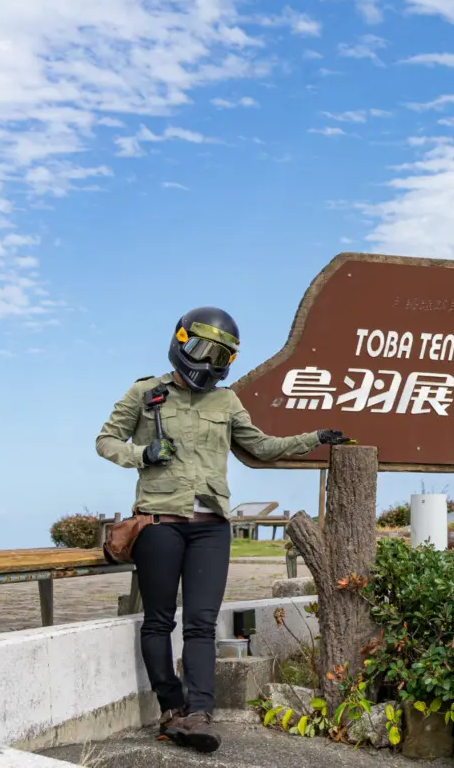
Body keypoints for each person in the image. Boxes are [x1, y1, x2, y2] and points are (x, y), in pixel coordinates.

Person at [95, 306, 350, 753]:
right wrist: (142, 455)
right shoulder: (145, 392)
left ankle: (200, 714)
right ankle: (172, 708)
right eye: (202, 349)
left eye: (221, 357)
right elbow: (105, 440)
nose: (209, 362)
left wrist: (314, 438)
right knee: (159, 620)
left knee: (201, 623)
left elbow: (262, 447)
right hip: (158, 524)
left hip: (211, 527)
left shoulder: (226, 401)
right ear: (180, 340)